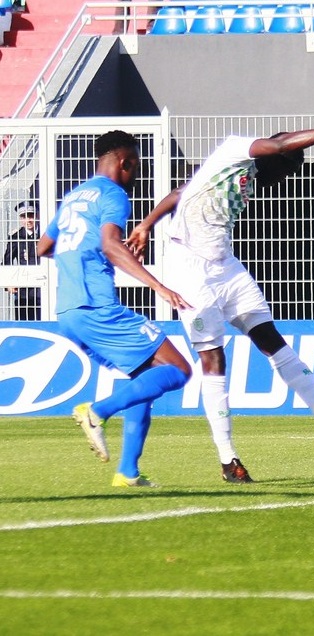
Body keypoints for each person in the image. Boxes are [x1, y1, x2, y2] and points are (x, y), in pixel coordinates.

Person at [127, 118, 314, 484]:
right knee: (213, 358)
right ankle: (228, 461)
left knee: (272, 341)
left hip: (225, 267)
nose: (283, 174)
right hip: (189, 269)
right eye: (286, 164)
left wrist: (147, 222)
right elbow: (277, 146)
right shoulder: (234, 149)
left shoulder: (251, 178)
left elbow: (185, 190)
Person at [36, 130, 193, 487]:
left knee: (145, 379)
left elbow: (44, 246)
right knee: (179, 369)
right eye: (136, 166)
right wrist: (158, 286)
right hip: (96, 306)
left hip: (68, 313)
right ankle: (97, 411)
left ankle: (127, 471)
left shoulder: (74, 196)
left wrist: (80, 252)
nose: (135, 173)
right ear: (125, 162)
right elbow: (110, 244)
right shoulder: (114, 194)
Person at [3, 202, 41, 320]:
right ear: (20, 219)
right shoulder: (16, 237)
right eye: (24, 217)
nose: (28, 220)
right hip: (24, 289)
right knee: (24, 322)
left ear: (37, 216)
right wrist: (8, 283)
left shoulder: (45, 234)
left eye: (31, 215)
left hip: (44, 286)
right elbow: (6, 261)